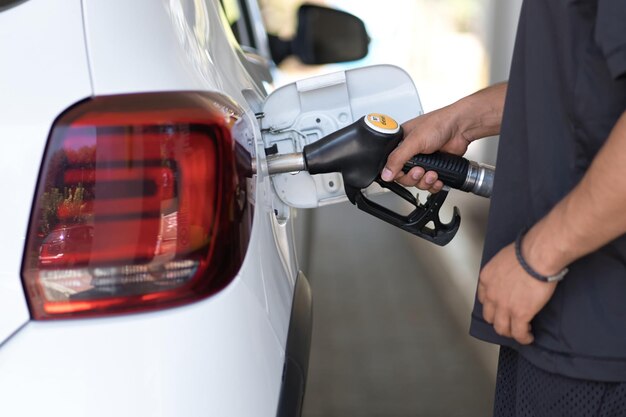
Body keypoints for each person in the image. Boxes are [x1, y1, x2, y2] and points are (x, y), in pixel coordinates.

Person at [380, 1, 626, 416]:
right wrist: (463, 120)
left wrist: (539, 257)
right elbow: (582, 76)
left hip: (600, 341)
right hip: (557, 322)